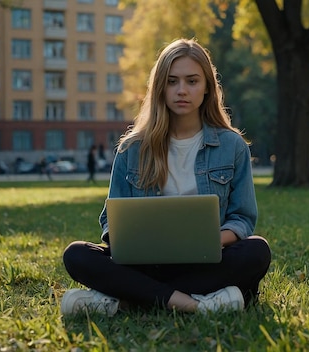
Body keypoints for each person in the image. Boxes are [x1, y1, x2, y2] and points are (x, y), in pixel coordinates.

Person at [61, 38, 271, 316]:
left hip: (206, 259)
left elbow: (242, 218)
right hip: (146, 262)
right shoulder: (132, 149)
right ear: (160, 87)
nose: (181, 90)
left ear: (208, 86)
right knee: (76, 255)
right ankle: (196, 303)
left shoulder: (233, 147)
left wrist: (209, 240)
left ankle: (128, 299)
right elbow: (110, 220)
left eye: (192, 81)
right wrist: (129, 240)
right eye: (172, 81)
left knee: (256, 251)